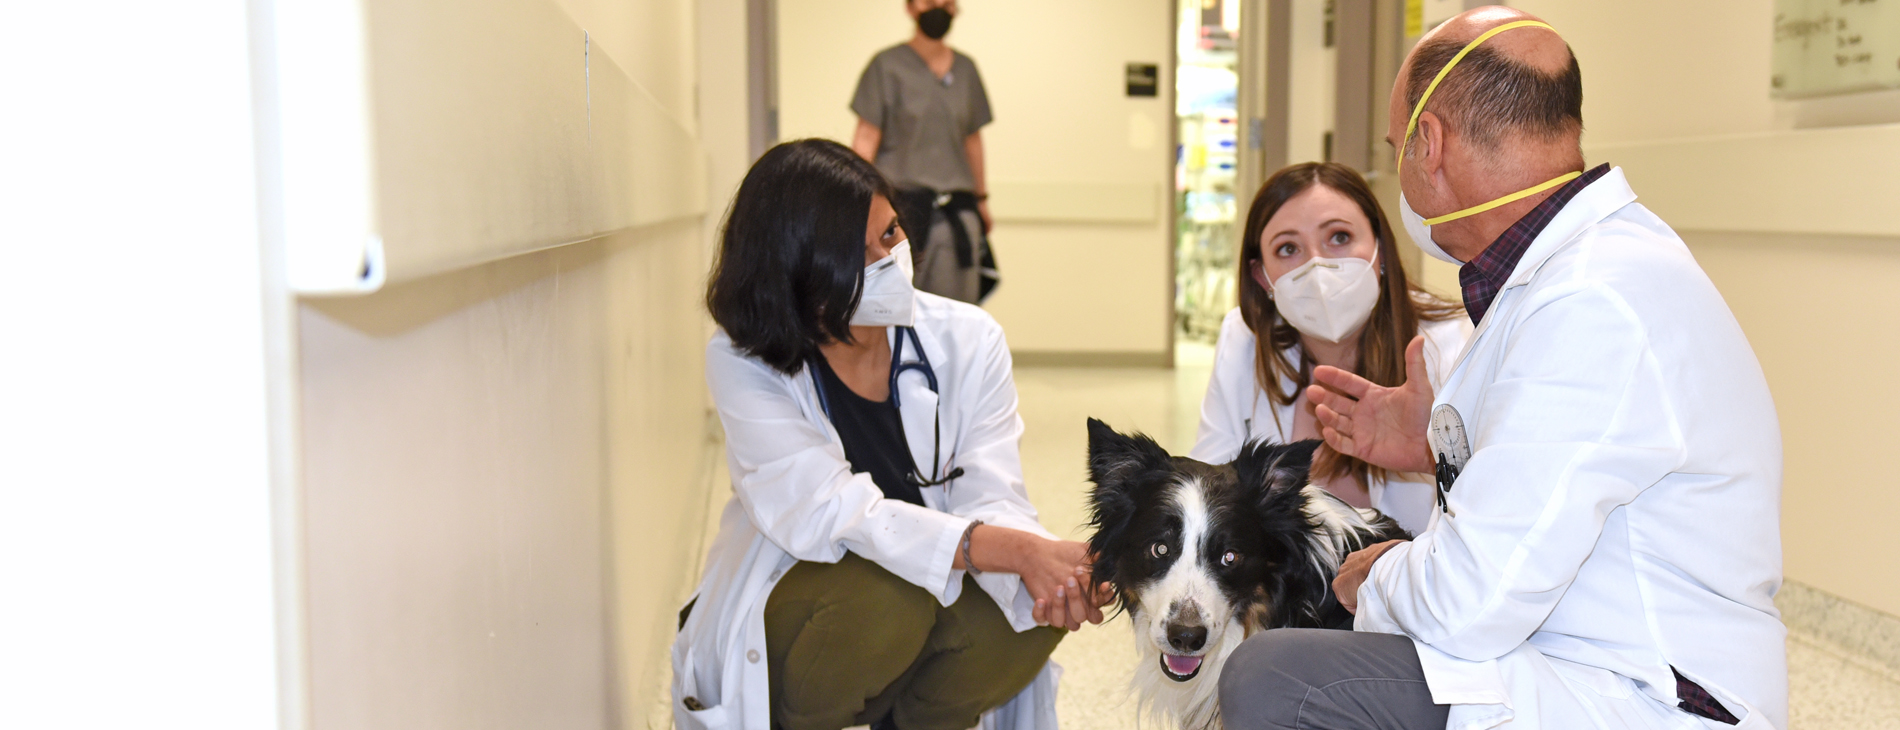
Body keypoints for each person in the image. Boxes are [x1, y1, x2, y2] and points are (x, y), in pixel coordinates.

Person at [1218, 8, 1786, 730]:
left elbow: (1471, 602)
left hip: (1639, 696)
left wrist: (1378, 573)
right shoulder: (1578, 273)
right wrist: (1439, 447)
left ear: (1430, 144)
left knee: (1277, 680)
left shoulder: (1593, 302)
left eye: (1398, 149)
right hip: (1585, 656)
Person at [672, 139, 1108, 730]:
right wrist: (1018, 550)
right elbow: (830, 511)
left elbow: (992, 487)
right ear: (798, 270)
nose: (891, 258)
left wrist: (1051, 571)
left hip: (912, 616)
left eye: (891, 233)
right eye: (859, 253)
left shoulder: (968, 339)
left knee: (1029, 611)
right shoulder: (745, 359)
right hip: (814, 610)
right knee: (890, 598)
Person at [1190, 162, 1468, 535]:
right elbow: (1205, 492)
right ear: (1263, 277)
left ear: (1380, 249)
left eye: (1338, 237)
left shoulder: (1455, 345)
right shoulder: (1244, 339)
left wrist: (1428, 455)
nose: (1317, 266)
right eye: (1288, 248)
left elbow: (1497, 509)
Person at [850, 0, 998, 304]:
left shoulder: (966, 69)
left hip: (955, 210)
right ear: (910, 7)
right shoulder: (886, 66)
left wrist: (981, 199)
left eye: (946, 3)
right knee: (898, 308)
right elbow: (866, 137)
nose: (938, 8)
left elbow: (972, 139)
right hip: (899, 211)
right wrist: (857, 200)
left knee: (956, 313)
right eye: (930, 2)